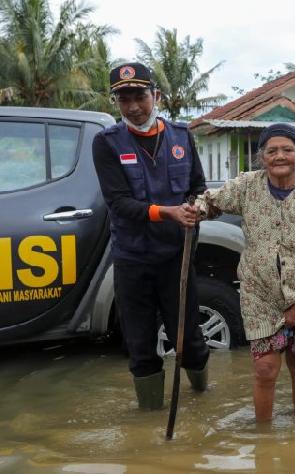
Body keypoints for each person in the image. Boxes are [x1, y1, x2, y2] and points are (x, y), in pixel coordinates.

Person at [191, 123, 295, 422]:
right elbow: (212, 201)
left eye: (287, 150)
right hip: (260, 295)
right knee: (265, 369)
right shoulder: (247, 187)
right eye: (272, 151)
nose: (279, 156)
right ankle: (263, 440)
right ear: (261, 157)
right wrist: (196, 211)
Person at [92, 62, 210, 410]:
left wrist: (195, 208)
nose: (132, 106)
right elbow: (119, 203)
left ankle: (203, 401)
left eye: (139, 96)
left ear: (155, 95)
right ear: (116, 102)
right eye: (123, 98)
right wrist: (168, 212)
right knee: (141, 346)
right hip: (132, 260)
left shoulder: (181, 135)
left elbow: (197, 188)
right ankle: (148, 421)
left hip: (177, 257)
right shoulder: (107, 143)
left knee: (188, 340)